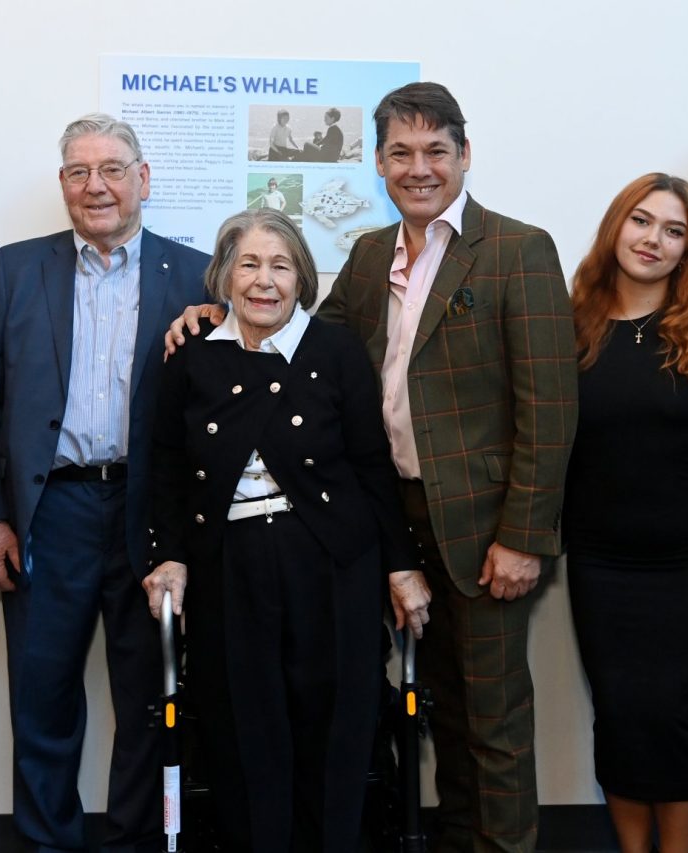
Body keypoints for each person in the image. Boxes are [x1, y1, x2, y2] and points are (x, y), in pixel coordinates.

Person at [167, 81, 577, 853]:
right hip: (387, 521)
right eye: (400, 153)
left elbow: (550, 406)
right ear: (379, 164)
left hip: (483, 528)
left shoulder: (518, 250)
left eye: (434, 151)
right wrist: (216, 314)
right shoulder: (367, 254)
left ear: (464, 155)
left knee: (492, 720)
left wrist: (524, 534)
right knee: (437, 712)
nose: (418, 168)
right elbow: (303, 345)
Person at [0, 113, 209, 852]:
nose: (94, 185)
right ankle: (48, 841)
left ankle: (131, 840)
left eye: (111, 168)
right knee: (42, 695)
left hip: (150, 513)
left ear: (144, 179)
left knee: (145, 698)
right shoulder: (16, 268)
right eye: (78, 171)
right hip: (50, 511)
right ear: (63, 182)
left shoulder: (197, 273)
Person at [143, 208, 417, 853]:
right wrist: (169, 558)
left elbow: (373, 465)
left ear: (301, 280)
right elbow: (166, 467)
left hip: (329, 562)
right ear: (223, 276)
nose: (265, 281)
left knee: (336, 726)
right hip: (228, 563)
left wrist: (402, 567)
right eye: (249, 264)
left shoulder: (335, 350)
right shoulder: (190, 357)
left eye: (281, 265)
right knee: (243, 728)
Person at [565, 173, 688, 853]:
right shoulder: (572, 323)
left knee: (675, 711)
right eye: (642, 221)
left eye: (673, 230)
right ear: (617, 225)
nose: (653, 239)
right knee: (616, 709)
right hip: (600, 560)